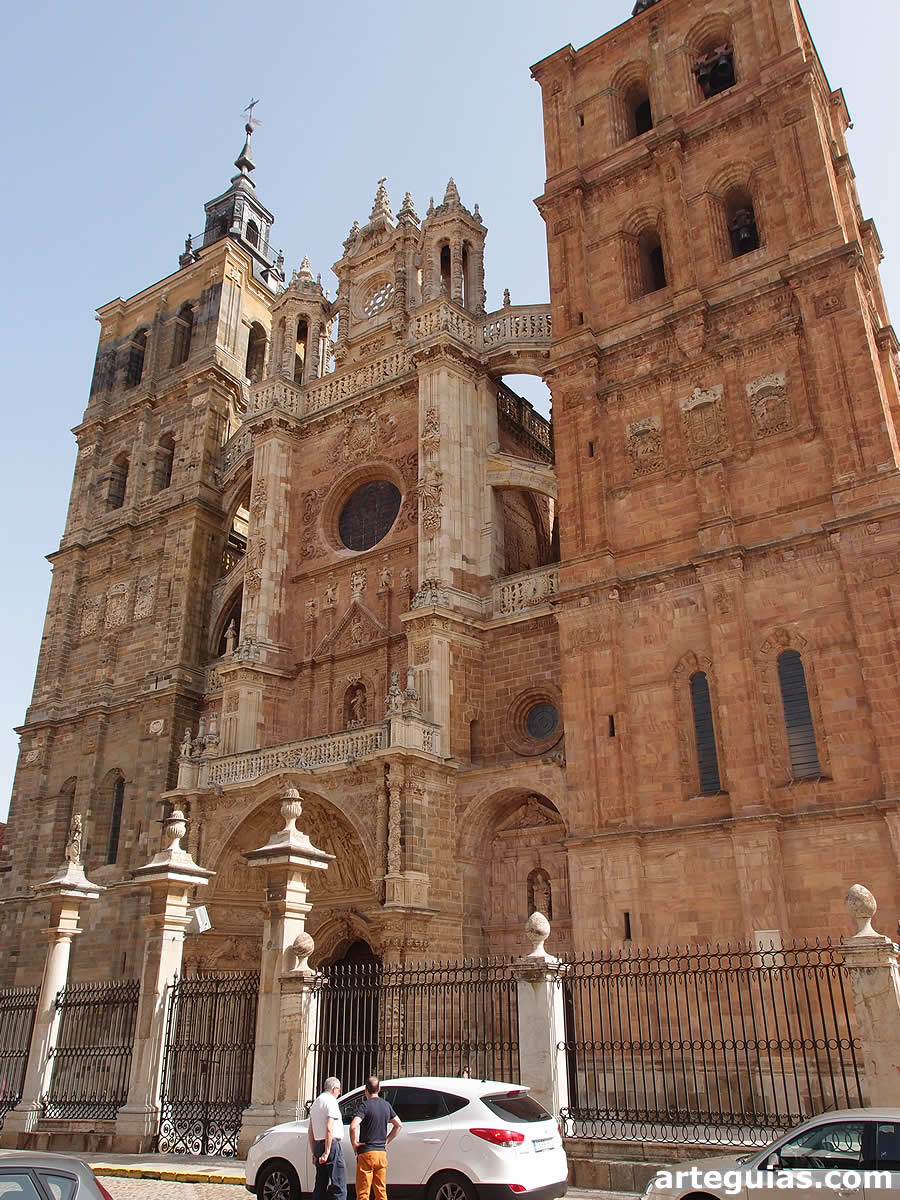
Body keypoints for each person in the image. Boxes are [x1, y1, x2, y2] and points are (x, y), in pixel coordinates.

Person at [349, 1076, 402, 1200]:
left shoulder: (365, 1106)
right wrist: (386, 1141)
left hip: (366, 1153)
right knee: (381, 1191)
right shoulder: (386, 1105)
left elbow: (352, 1127)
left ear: (365, 1090)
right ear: (379, 1089)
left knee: (363, 1193)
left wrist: (354, 1144)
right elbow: (398, 1125)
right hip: (381, 1153)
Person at [308, 1076, 347, 1200]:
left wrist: (314, 1151)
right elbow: (329, 1128)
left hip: (318, 1145)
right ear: (334, 1089)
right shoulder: (331, 1102)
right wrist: (327, 1151)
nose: (339, 1093)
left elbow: (310, 1130)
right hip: (331, 1145)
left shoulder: (316, 1102)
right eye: (339, 1090)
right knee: (338, 1186)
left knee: (320, 1184)